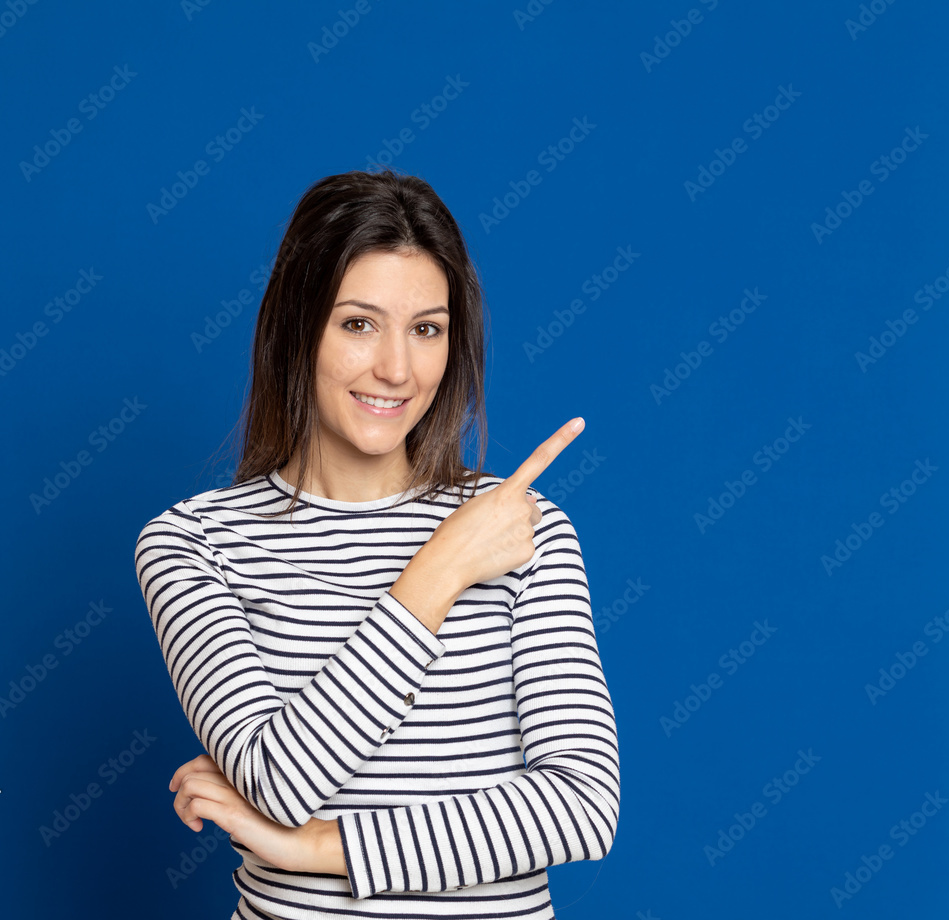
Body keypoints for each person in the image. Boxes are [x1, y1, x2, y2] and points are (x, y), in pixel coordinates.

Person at [134, 168, 620, 920]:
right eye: (358, 323)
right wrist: (441, 568)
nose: (396, 369)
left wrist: (316, 848)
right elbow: (281, 780)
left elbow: (581, 807)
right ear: (297, 327)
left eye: (426, 329)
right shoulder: (194, 544)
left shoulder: (523, 528)